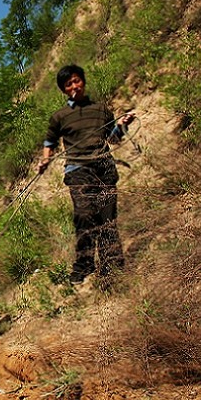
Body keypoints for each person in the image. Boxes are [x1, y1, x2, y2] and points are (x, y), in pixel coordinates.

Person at [37, 64, 135, 284]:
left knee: (107, 218)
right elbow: (49, 142)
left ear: (83, 81)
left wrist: (122, 125)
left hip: (105, 168)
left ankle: (112, 268)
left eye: (76, 81)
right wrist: (45, 160)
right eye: (68, 84)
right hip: (78, 170)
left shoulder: (101, 110)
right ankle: (84, 265)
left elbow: (113, 139)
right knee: (84, 215)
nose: (74, 86)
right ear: (63, 90)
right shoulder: (59, 116)